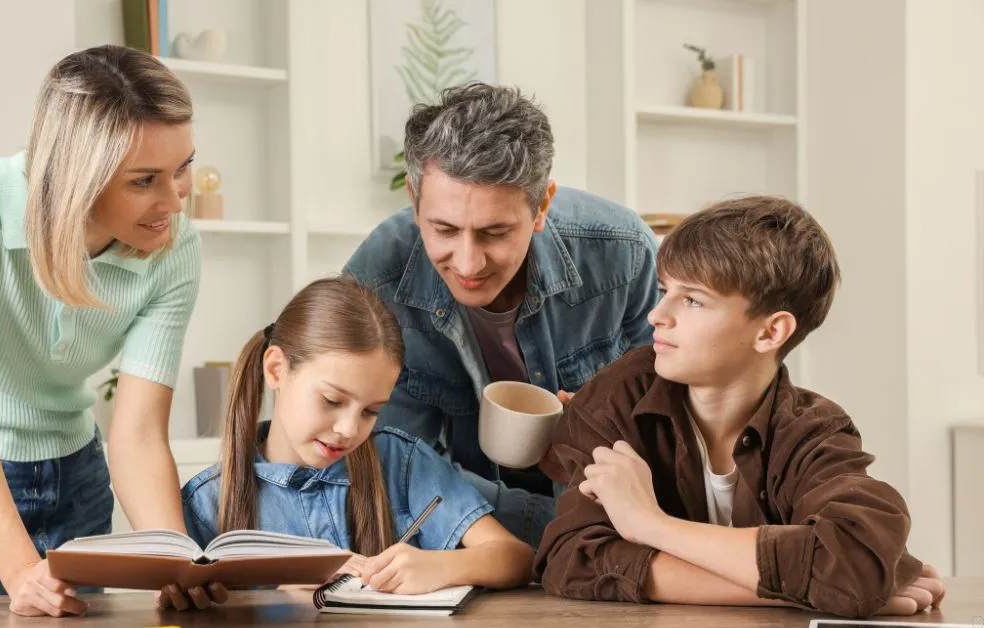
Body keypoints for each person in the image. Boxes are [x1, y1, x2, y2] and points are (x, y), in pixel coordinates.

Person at [0, 45, 222, 616]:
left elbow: (136, 436)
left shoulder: (176, 248)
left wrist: (175, 560)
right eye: (144, 181)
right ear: (77, 178)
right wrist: (20, 571)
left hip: (75, 479)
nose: (172, 200)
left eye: (182, 168)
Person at [533, 196, 946, 617]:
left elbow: (856, 560)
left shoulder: (814, 429)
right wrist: (801, 589)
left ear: (771, 332)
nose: (657, 314)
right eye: (664, 291)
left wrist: (651, 524)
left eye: (692, 300)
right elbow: (573, 558)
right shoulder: (619, 395)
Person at [343, 82, 659, 548]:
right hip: (469, 540)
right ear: (414, 200)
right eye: (444, 229)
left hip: (606, 524)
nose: (468, 264)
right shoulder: (376, 281)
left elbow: (670, 423)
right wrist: (544, 528)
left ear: (541, 206)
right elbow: (393, 468)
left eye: (495, 232)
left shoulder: (620, 254)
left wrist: (595, 431)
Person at [181, 277, 533, 594]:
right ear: (276, 370)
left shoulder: (402, 463)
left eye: (370, 411)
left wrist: (441, 566)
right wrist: (278, 602)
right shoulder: (208, 502)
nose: (349, 430)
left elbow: (514, 557)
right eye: (332, 400)